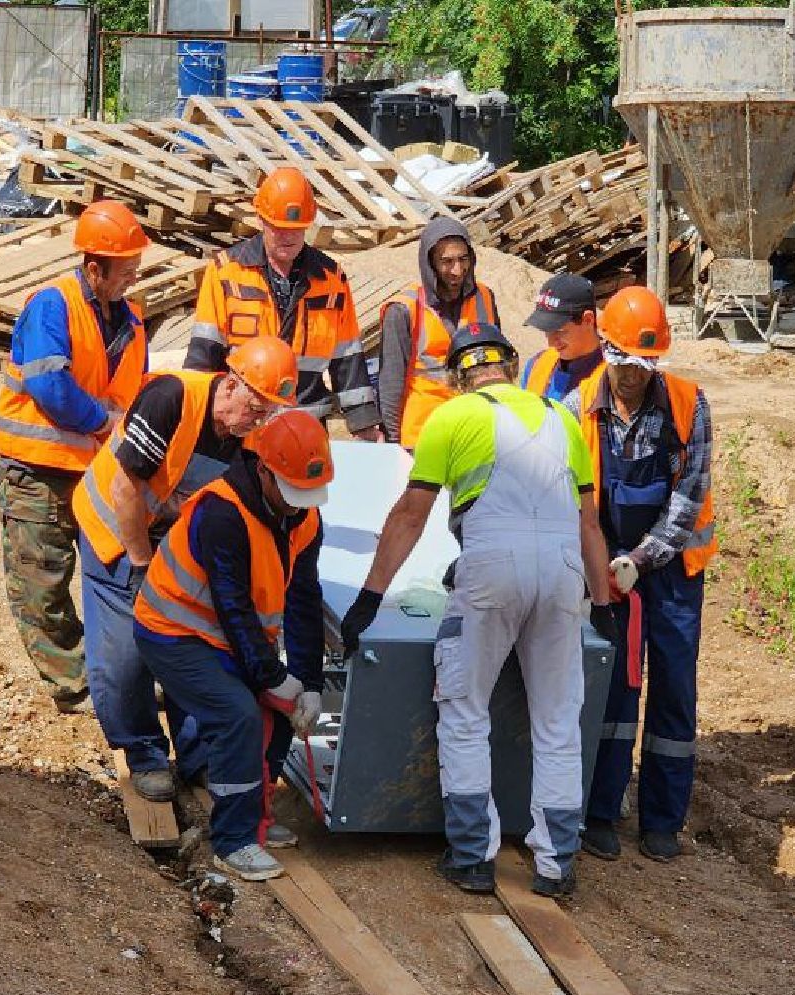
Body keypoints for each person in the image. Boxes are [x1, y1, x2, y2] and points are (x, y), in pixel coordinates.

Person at [340, 323, 615, 899]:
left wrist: (369, 597)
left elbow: (411, 514)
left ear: (458, 377)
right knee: (558, 721)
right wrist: (604, 602)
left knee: (465, 710)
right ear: (511, 367)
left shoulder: (452, 416)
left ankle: (472, 857)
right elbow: (589, 523)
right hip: (564, 571)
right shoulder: (562, 419)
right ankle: (555, 863)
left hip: (490, 568)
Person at [70, 337, 300, 801]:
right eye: (255, 409)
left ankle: (197, 755)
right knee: (126, 651)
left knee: (190, 639)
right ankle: (144, 753)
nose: (258, 422)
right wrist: (140, 564)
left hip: (169, 536)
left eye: (268, 413)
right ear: (232, 384)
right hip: (116, 529)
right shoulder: (171, 398)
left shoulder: (245, 433)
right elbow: (125, 489)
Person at [132, 409, 332, 882]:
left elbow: (304, 601)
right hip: (174, 632)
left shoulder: (304, 518)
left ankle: (255, 816)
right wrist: (272, 676)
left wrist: (308, 683)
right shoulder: (221, 513)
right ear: (263, 470)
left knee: (282, 710)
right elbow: (234, 607)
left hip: (228, 636)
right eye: (291, 492)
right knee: (238, 716)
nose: (298, 506)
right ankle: (234, 840)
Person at [574, 286, 717, 864]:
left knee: (674, 691)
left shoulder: (689, 403)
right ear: (604, 347)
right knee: (613, 685)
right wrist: (603, 565)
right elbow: (576, 495)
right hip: (607, 565)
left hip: (672, 569)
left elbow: (688, 498)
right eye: (624, 361)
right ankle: (600, 809)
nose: (632, 375)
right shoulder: (580, 406)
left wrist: (641, 558)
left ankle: (662, 820)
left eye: (644, 363)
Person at [0, 200, 153, 712]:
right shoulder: (51, 306)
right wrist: (103, 422)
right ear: (94, 268)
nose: (133, 278)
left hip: (102, 472)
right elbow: (49, 386)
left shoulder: (132, 319)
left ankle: (120, 675)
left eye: (136, 267)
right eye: (125, 270)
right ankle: (74, 684)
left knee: (116, 577)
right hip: (39, 472)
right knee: (42, 584)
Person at [183, 166, 379, 439]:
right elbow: (203, 356)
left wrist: (364, 424)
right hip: (242, 425)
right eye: (279, 228)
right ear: (261, 220)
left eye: (297, 229)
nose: (288, 236)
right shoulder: (226, 272)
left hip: (305, 426)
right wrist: (194, 416)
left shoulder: (331, 280)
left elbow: (348, 359)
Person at [376, 216, 499, 447]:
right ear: (430, 263)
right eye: (447, 261)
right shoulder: (403, 310)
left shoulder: (485, 298)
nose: (457, 270)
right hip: (423, 438)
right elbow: (391, 385)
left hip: (476, 432)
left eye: (463, 259)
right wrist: (393, 443)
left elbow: (499, 368)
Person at [517, 273, 606, 409]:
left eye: (559, 331)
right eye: (547, 331)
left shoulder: (614, 376)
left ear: (588, 320)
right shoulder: (536, 365)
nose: (551, 343)